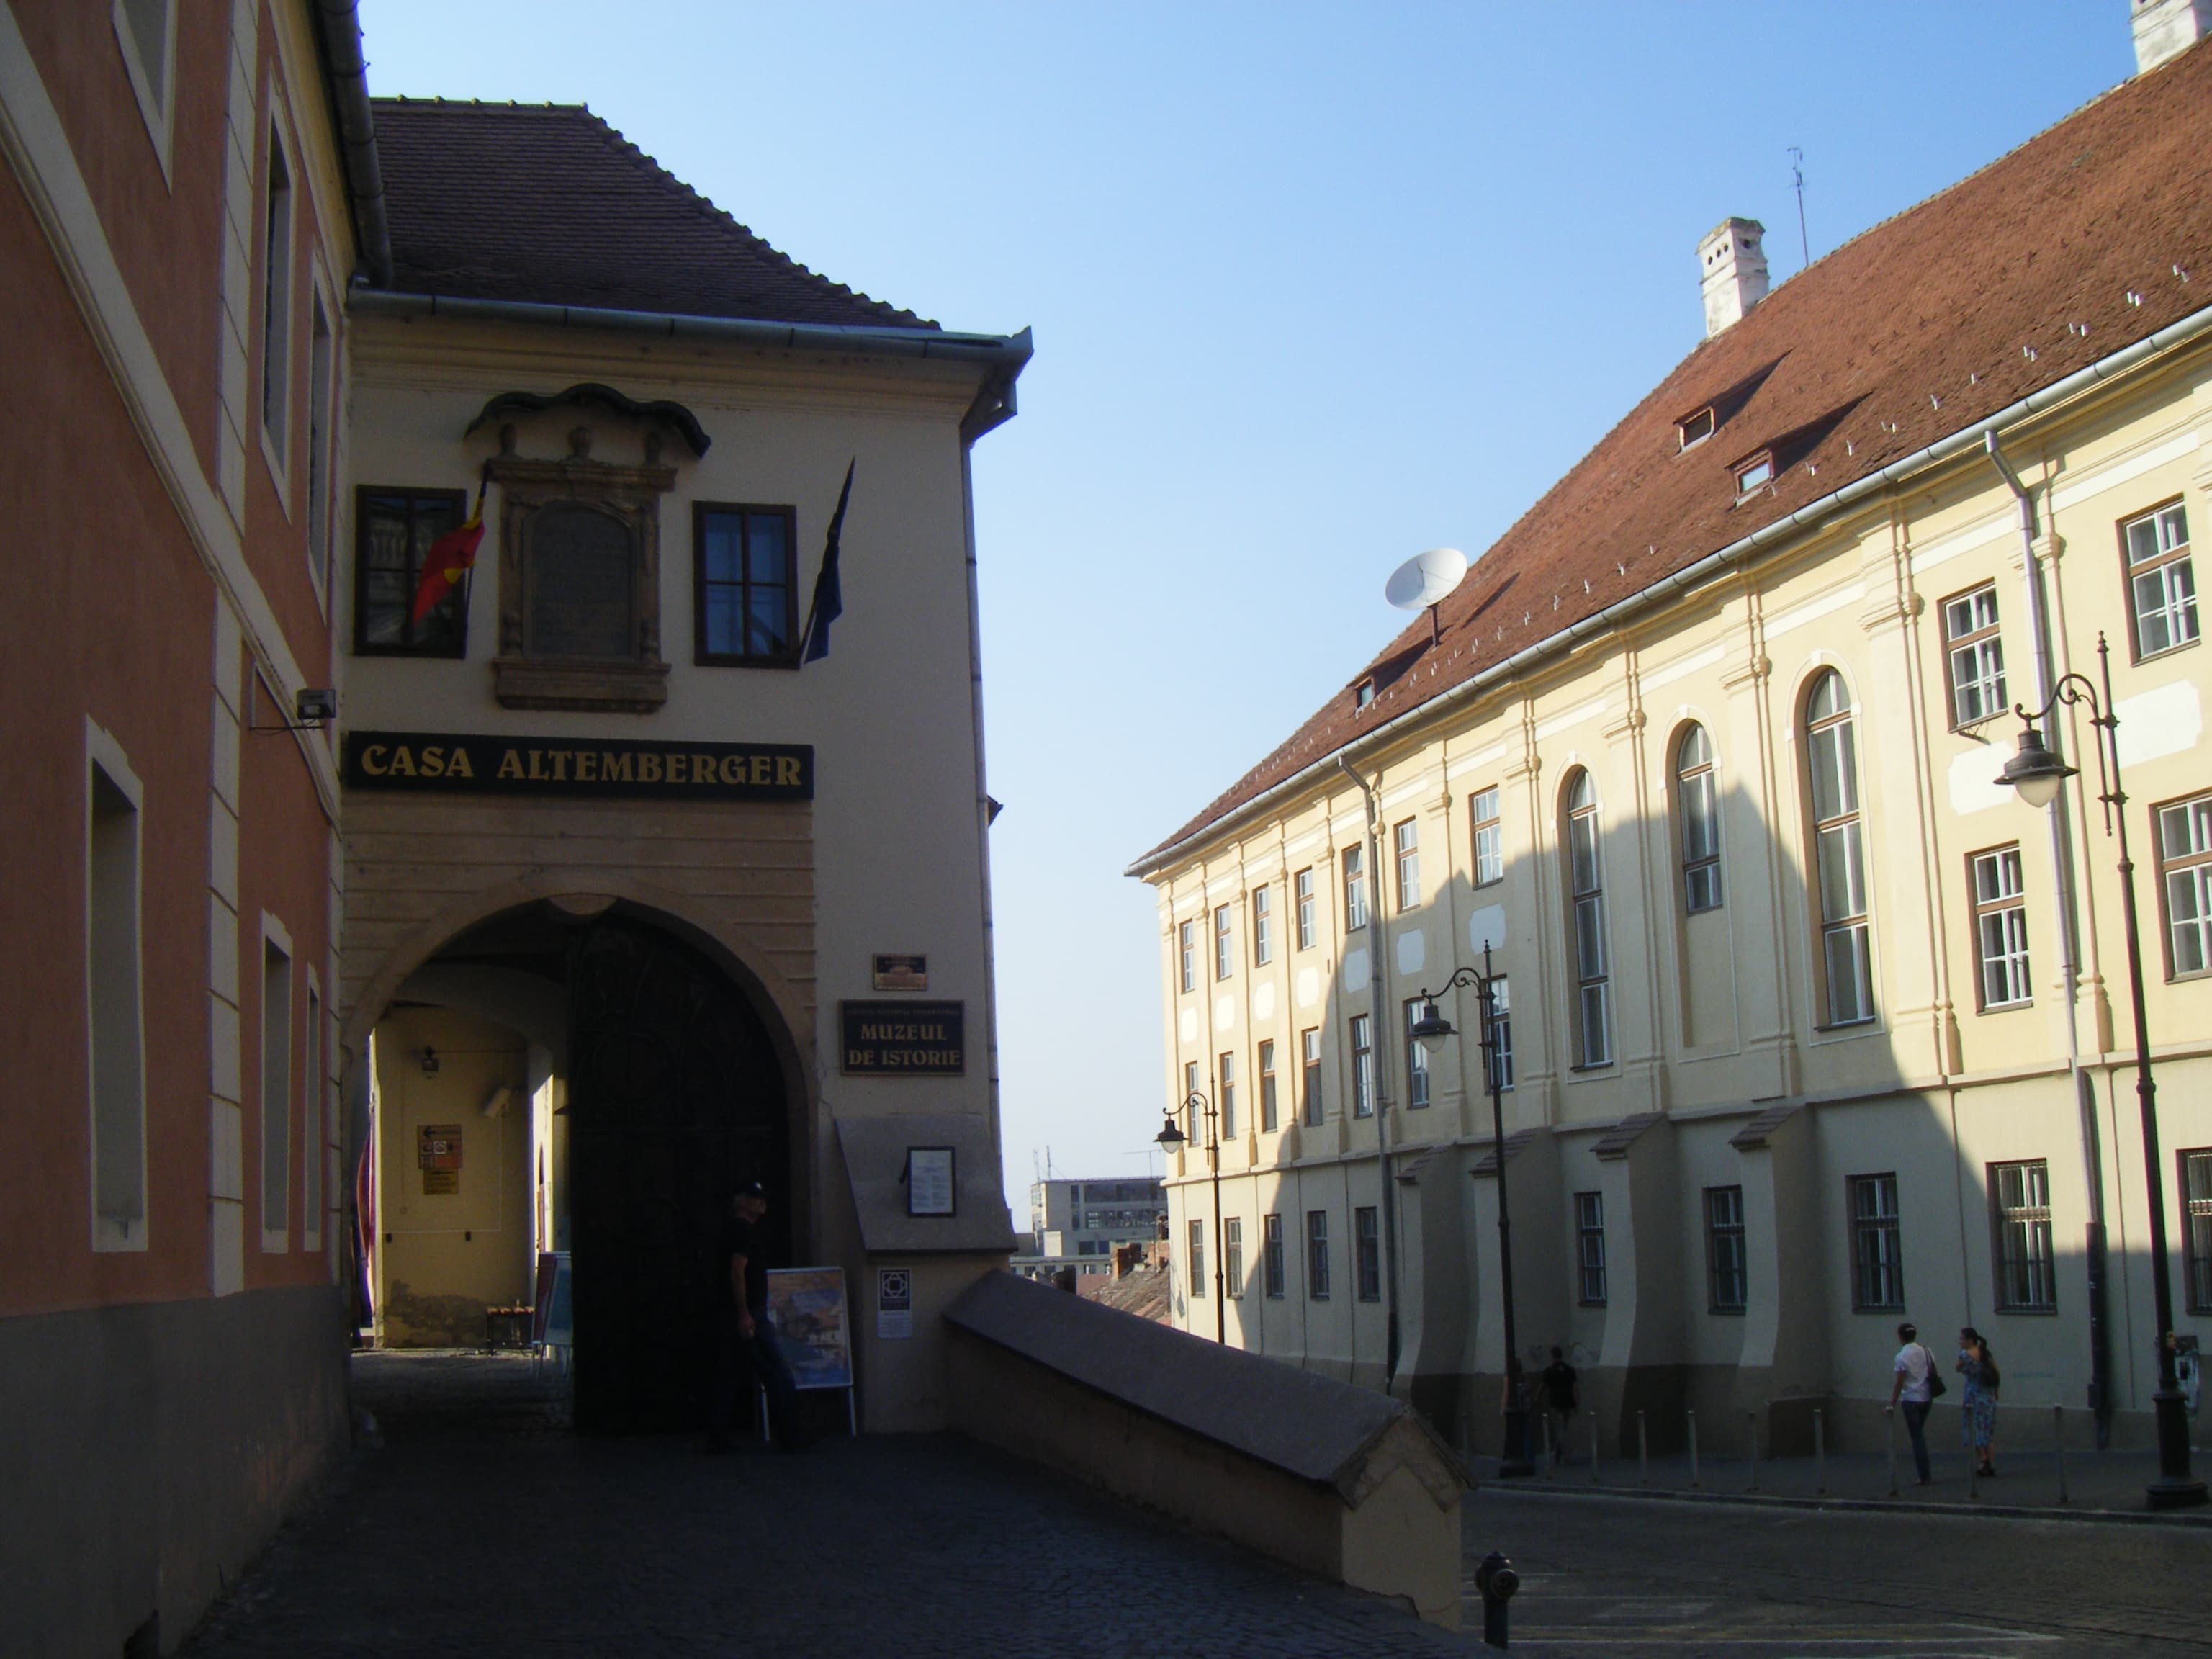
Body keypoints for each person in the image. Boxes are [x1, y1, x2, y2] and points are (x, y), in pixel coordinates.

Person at [708, 1182, 807, 1453]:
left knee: (730, 1374)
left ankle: (717, 1436)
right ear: (741, 1201)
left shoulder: (736, 1230)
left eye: (762, 1197)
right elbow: (737, 1271)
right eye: (754, 1198)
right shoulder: (742, 1230)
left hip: (740, 1313)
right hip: (749, 1314)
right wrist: (744, 1313)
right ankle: (791, 1435)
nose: (761, 1202)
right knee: (776, 1371)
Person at [1886, 1321, 1938, 1484]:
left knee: (1917, 1437)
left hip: (1911, 1399)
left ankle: (1924, 1475)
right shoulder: (1927, 1351)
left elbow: (1899, 1382)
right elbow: (1932, 1371)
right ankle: (1924, 1474)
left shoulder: (1901, 1357)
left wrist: (1892, 1403)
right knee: (1918, 1434)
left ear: (1901, 1337)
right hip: (1926, 1397)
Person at [1957, 1327, 1999, 1478]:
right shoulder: (1986, 1353)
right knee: (1987, 1430)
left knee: (1972, 1429)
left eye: (1962, 1339)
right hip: (1988, 1396)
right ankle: (1990, 1464)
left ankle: (1983, 1459)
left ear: (1969, 1340)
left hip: (1973, 1395)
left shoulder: (1964, 1355)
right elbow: (1996, 1371)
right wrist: (1995, 1392)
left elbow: (1958, 1368)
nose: (1960, 1342)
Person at [1539, 1346, 1579, 1464]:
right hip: (1568, 1402)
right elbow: (1576, 1389)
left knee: (1559, 1429)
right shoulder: (1570, 1370)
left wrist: (1537, 1399)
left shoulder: (1548, 1371)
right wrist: (1576, 1404)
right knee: (1564, 1429)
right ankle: (1559, 1451)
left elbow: (1542, 1387)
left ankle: (1566, 1456)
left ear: (1552, 1356)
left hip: (1555, 1403)